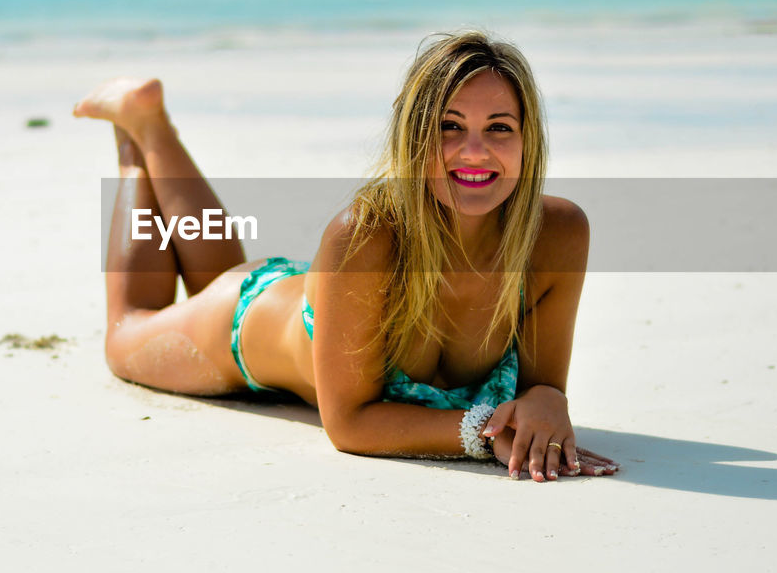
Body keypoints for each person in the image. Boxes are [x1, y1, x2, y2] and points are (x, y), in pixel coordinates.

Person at [74, 31, 618, 481]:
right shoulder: (366, 234)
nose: (474, 151)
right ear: (414, 137)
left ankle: (150, 123)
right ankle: (134, 140)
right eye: (450, 127)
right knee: (126, 330)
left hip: (313, 293)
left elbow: (539, 386)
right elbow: (349, 424)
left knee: (220, 273)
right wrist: (485, 434)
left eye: (499, 128)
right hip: (242, 322)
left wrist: (549, 398)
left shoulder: (555, 234)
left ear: (529, 142)